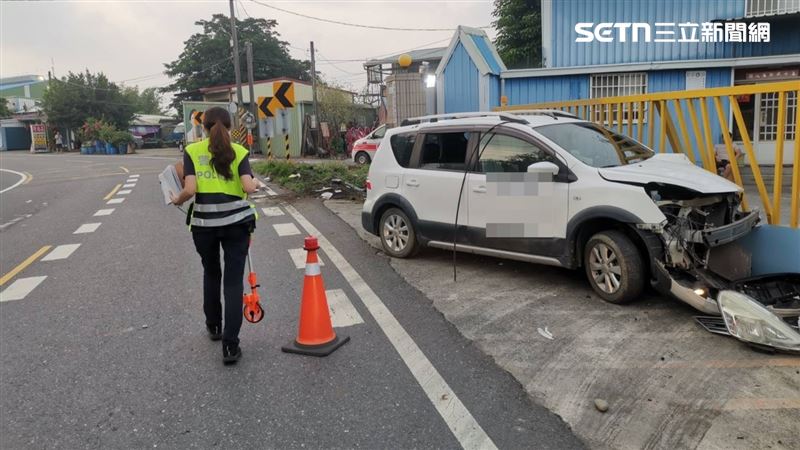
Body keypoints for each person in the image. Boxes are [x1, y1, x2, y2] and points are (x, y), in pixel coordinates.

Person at [169, 107, 259, 364]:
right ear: (230, 127)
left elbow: (190, 189)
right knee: (232, 283)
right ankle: (230, 346)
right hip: (236, 226)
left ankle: (214, 326)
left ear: (204, 127)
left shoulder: (193, 151)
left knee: (211, 273)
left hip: (204, 226)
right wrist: (256, 183)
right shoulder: (239, 151)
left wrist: (177, 199)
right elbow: (248, 186)